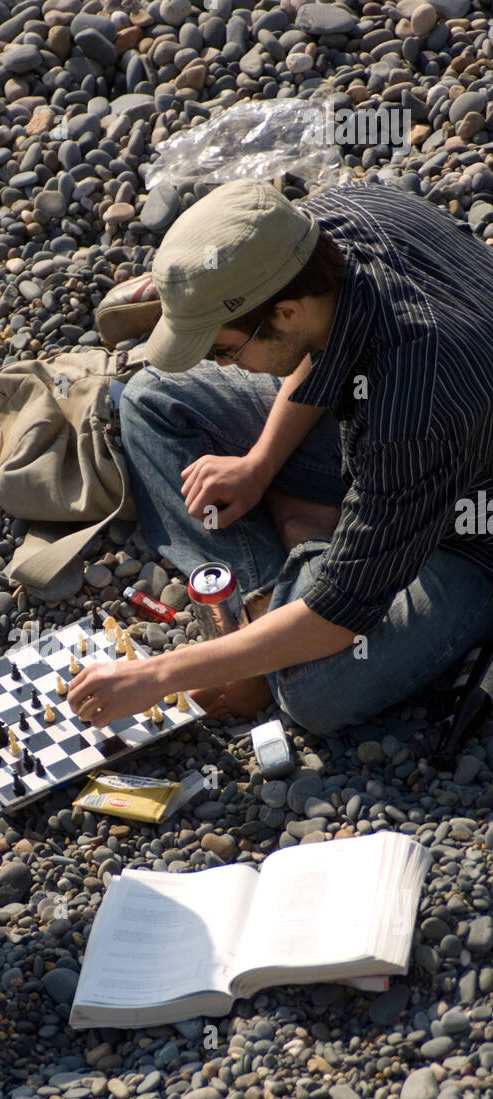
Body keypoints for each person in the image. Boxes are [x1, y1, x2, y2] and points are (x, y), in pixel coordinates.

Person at [69, 177, 493, 736]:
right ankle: (275, 598)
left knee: (313, 692)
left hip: (466, 526)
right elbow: (327, 345)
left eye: (224, 349)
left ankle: (288, 587)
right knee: (153, 399)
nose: (221, 367)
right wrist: (260, 462)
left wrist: (160, 674)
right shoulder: (326, 224)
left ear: (285, 313)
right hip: (386, 437)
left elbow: (340, 618)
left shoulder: (414, 402)